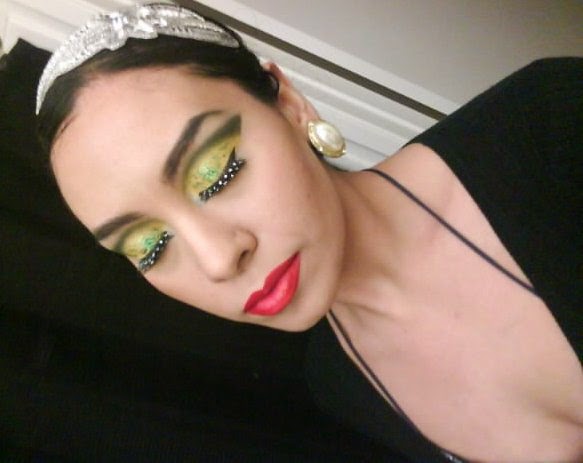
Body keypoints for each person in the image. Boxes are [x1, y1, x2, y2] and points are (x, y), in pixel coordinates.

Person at [34, 3, 582, 462]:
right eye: (149, 247)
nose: (218, 260)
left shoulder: (549, 124)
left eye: (217, 173)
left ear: (291, 106)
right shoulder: (339, 383)